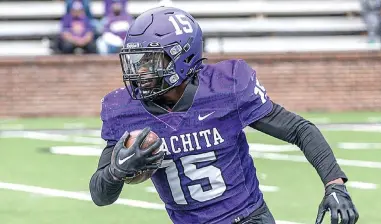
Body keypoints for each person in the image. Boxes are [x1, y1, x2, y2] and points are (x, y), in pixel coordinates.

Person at [89, 6, 359, 224]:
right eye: (136, 62)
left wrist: (335, 185)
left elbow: (299, 129)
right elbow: (100, 196)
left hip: (248, 218)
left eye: (151, 61)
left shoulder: (225, 87)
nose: (141, 73)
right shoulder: (125, 110)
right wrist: (116, 171)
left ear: (182, 58)